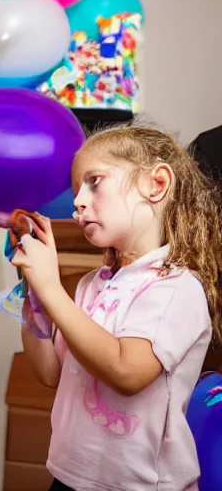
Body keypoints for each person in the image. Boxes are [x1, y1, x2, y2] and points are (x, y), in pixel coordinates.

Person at [12, 126, 222, 490]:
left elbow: (127, 372)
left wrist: (51, 288)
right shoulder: (90, 285)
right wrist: (36, 295)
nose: (78, 201)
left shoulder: (177, 287)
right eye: (77, 189)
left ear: (156, 185)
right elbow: (50, 372)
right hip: (69, 475)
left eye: (95, 182)